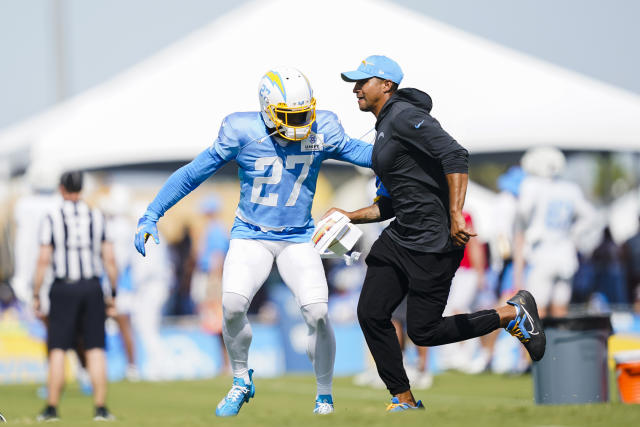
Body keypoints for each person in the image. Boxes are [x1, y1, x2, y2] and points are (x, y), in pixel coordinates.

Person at [134, 67, 373, 416]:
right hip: (252, 235)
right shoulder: (240, 130)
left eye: (304, 113)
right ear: (267, 108)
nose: (300, 123)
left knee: (319, 312)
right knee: (231, 304)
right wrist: (153, 212)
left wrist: (406, 154)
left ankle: (324, 396)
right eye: (290, 115)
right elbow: (194, 172)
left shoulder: (324, 127)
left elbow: (365, 154)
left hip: (299, 236)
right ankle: (241, 379)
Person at [327, 55, 546, 411]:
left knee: (424, 332)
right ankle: (404, 400)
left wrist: (457, 213)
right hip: (399, 238)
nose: (355, 89)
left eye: (362, 81)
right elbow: (390, 204)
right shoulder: (384, 128)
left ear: (386, 85)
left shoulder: (403, 116)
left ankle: (510, 315)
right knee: (370, 313)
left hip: (433, 243)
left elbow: (455, 154)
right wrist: (348, 216)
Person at [32, 171, 117, 421]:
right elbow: (109, 259)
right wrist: (113, 292)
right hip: (92, 287)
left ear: (61, 188)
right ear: (82, 188)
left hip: (63, 287)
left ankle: (52, 408)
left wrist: (36, 292)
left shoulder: (53, 217)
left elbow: (43, 259)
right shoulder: (96, 216)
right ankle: (101, 408)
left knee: (58, 348)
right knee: (95, 348)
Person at [514, 146, 595, 318]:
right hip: (565, 255)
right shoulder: (570, 189)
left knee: (534, 313)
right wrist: (573, 234)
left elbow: (522, 212)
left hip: (542, 254)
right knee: (560, 309)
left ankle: (536, 346)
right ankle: (558, 344)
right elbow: (590, 216)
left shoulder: (532, 185)